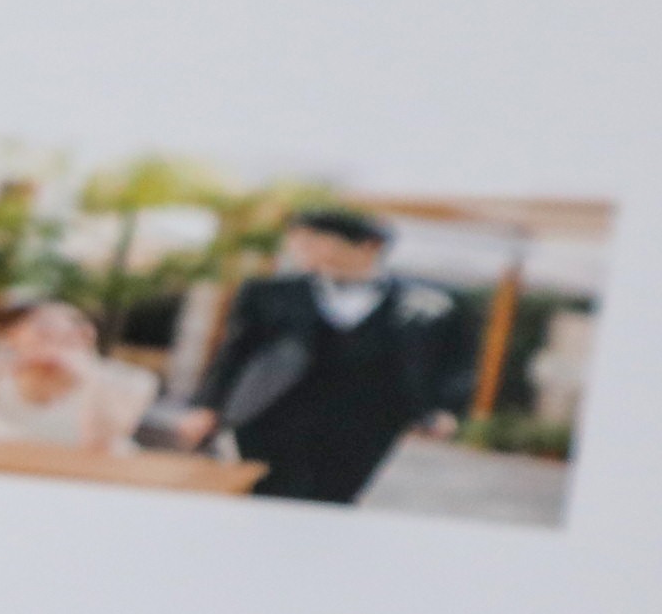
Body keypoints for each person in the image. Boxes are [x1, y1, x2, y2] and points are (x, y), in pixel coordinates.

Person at [162, 207, 477, 505]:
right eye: (297, 241)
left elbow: (452, 360)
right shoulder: (270, 293)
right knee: (262, 493)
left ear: (369, 246)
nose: (301, 249)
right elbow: (235, 354)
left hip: (367, 421)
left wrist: (444, 408)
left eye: (316, 241)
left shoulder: (425, 304)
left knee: (334, 499)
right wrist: (207, 406)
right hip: (272, 412)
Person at [0, 297, 158, 454]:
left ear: (86, 334)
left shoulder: (129, 380)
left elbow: (100, 442)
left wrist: (88, 375)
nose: (50, 339)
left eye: (56, 330)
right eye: (41, 330)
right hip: (7, 468)